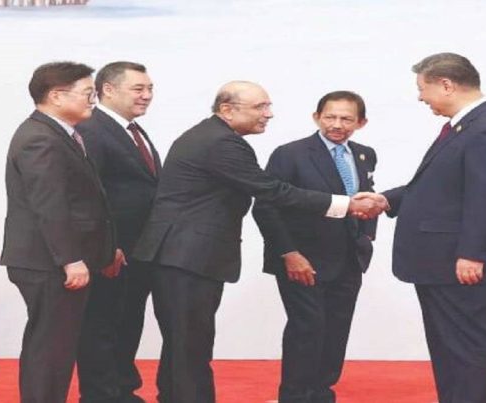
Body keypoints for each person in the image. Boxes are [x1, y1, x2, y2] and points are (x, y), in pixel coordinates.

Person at [131, 81, 387, 403]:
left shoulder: (213, 137)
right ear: (227, 110)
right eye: (260, 107)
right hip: (186, 255)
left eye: (267, 106)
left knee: (186, 344)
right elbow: (272, 192)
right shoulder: (222, 143)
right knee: (189, 344)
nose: (268, 114)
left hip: (186, 255)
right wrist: (345, 205)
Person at [375, 53, 486, 403]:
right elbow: (440, 188)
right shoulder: (468, 125)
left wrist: (472, 253)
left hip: (462, 265)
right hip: (442, 263)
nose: (420, 97)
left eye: (422, 88)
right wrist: (386, 199)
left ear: (446, 85)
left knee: (468, 350)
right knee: (450, 350)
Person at [1, 61, 116, 403]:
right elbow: (50, 206)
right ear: (56, 96)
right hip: (48, 262)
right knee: (50, 349)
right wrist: (70, 259)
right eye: (87, 93)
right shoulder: (40, 138)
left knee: (57, 347)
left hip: (56, 259)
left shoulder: (59, 133)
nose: (93, 101)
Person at [252, 91, 376, 403]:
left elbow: (366, 196)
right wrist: (289, 253)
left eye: (346, 118)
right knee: (307, 330)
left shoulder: (364, 154)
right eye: (330, 117)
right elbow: (265, 207)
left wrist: (366, 237)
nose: (337, 124)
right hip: (303, 260)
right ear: (316, 117)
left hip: (349, 260)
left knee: (336, 331)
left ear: (361, 123)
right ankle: (295, 397)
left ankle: (322, 394)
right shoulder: (290, 154)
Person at [75, 61, 160, 403]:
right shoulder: (93, 129)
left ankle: (123, 390)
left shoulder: (132, 130)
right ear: (107, 90)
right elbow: (89, 195)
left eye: (150, 88)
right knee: (101, 327)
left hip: (138, 251)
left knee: (126, 323)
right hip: (111, 252)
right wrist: (105, 247)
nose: (147, 95)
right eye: (138, 88)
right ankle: (101, 395)